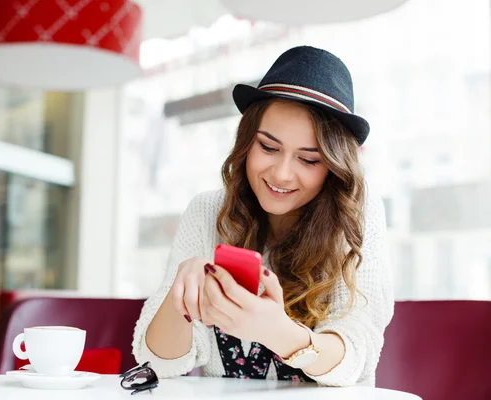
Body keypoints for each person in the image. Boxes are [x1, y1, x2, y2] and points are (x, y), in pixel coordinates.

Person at [132, 45, 393, 387]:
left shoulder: (355, 214)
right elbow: (157, 363)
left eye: (309, 159)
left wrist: (279, 333)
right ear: (246, 142)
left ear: (333, 165)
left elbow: (359, 353)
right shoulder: (207, 212)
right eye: (268, 148)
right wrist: (180, 293)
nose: (282, 174)